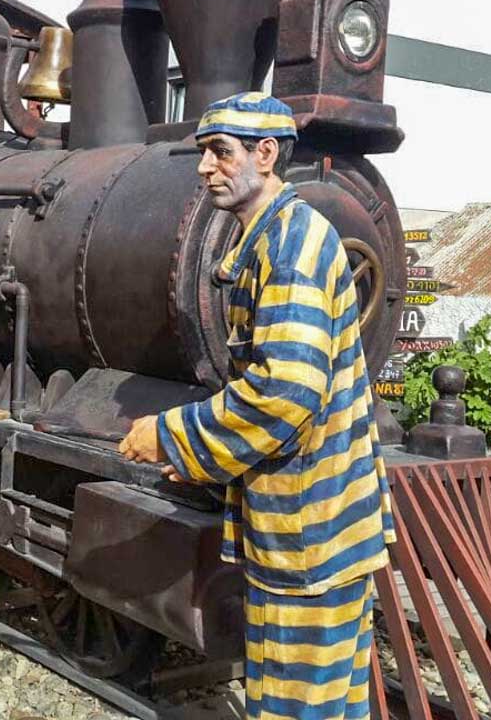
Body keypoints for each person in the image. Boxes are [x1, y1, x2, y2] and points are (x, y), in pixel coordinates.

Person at [119, 93, 397, 720]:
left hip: (310, 530)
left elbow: (284, 393)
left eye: (222, 152)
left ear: (266, 154)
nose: (204, 168)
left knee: (298, 704)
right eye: (203, 153)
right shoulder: (274, 236)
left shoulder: (292, 245)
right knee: (325, 700)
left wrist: (171, 434)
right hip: (312, 521)